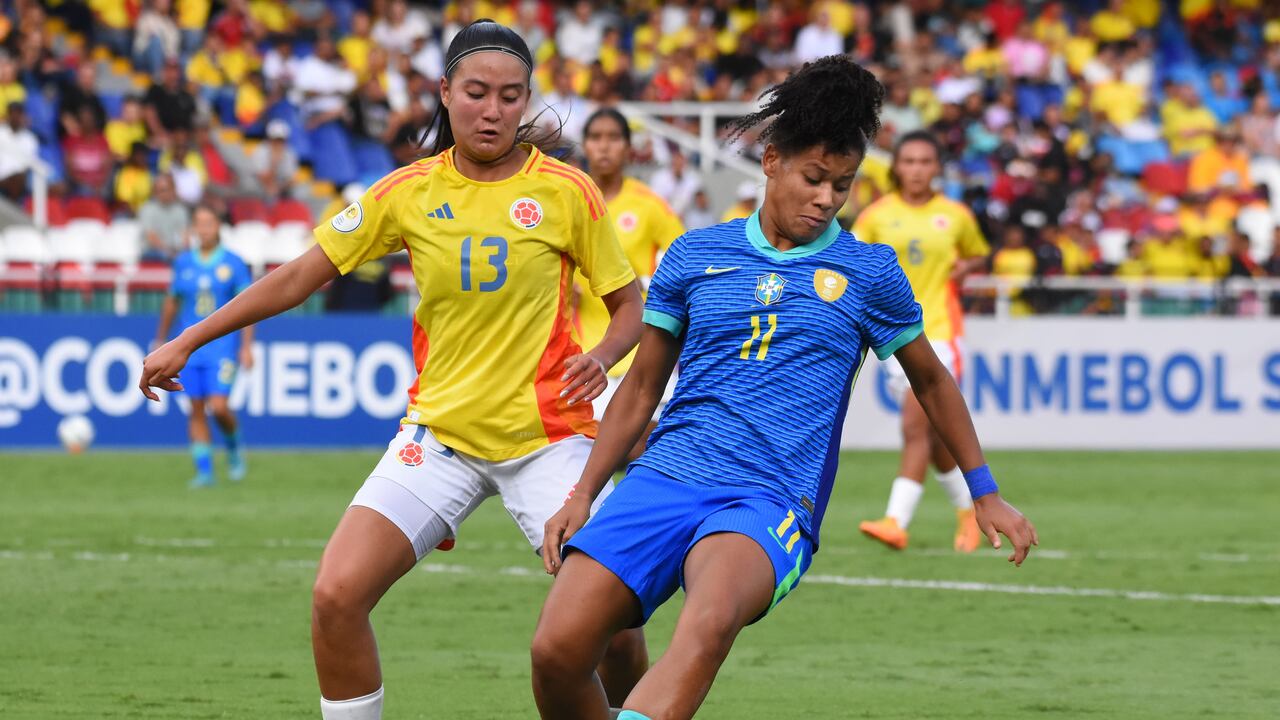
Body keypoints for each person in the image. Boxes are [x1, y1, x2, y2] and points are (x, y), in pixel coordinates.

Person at [139, 21, 647, 720]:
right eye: (475, 93)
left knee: (617, 623)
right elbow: (298, 276)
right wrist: (189, 339)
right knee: (335, 596)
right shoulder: (406, 192)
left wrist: (603, 355)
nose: (491, 110)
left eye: (508, 96)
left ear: (526, 100)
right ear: (444, 93)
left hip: (552, 437)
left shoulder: (567, 192)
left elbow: (629, 306)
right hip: (439, 435)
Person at [530, 55, 1036, 720]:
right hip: (665, 476)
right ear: (770, 161)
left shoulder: (867, 271)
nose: (827, 197)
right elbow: (642, 386)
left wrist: (985, 491)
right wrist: (583, 492)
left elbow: (932, 381)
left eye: (844, 185)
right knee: (556, 652)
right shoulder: (694, 254)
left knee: (707, 624)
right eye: (814, 178)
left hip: (767, 499)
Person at [854, 129, 991, 553]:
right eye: (909, 161)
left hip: (940, 332)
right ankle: (970, 512)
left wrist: (965, 269)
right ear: (897, 167)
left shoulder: (956, 215)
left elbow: (978, 253)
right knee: (932, 435)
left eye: (925, 162)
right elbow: (853, 260)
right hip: (892, 337)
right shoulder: (877, 215)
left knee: (915, 424)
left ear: (937, 168)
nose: (916, 170)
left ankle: (896, 520)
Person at [575, 107, 686, 461]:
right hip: (584, 354)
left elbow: (684, 264)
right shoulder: (568, 199)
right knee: (588, 461)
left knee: (646, 452)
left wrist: (648, 283)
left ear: (628, 147)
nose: (604, 147)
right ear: (585, 146)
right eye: (596, 138)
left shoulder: (649, 206)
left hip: (645, 351)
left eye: (613, 138)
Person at [153, 204, 253, 487]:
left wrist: (246, 346)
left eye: (209, 223)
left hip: (221, 348)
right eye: (199, 224)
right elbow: (172, 302)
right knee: (195, 408)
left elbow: (248, 308)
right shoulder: (184, 263)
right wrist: (161, 338)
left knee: (219, 407)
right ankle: (205, 471)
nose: (204, 229)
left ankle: (233, 446)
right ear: (193, 228)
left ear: (218, 226)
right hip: (190, 350)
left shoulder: (233, 263)